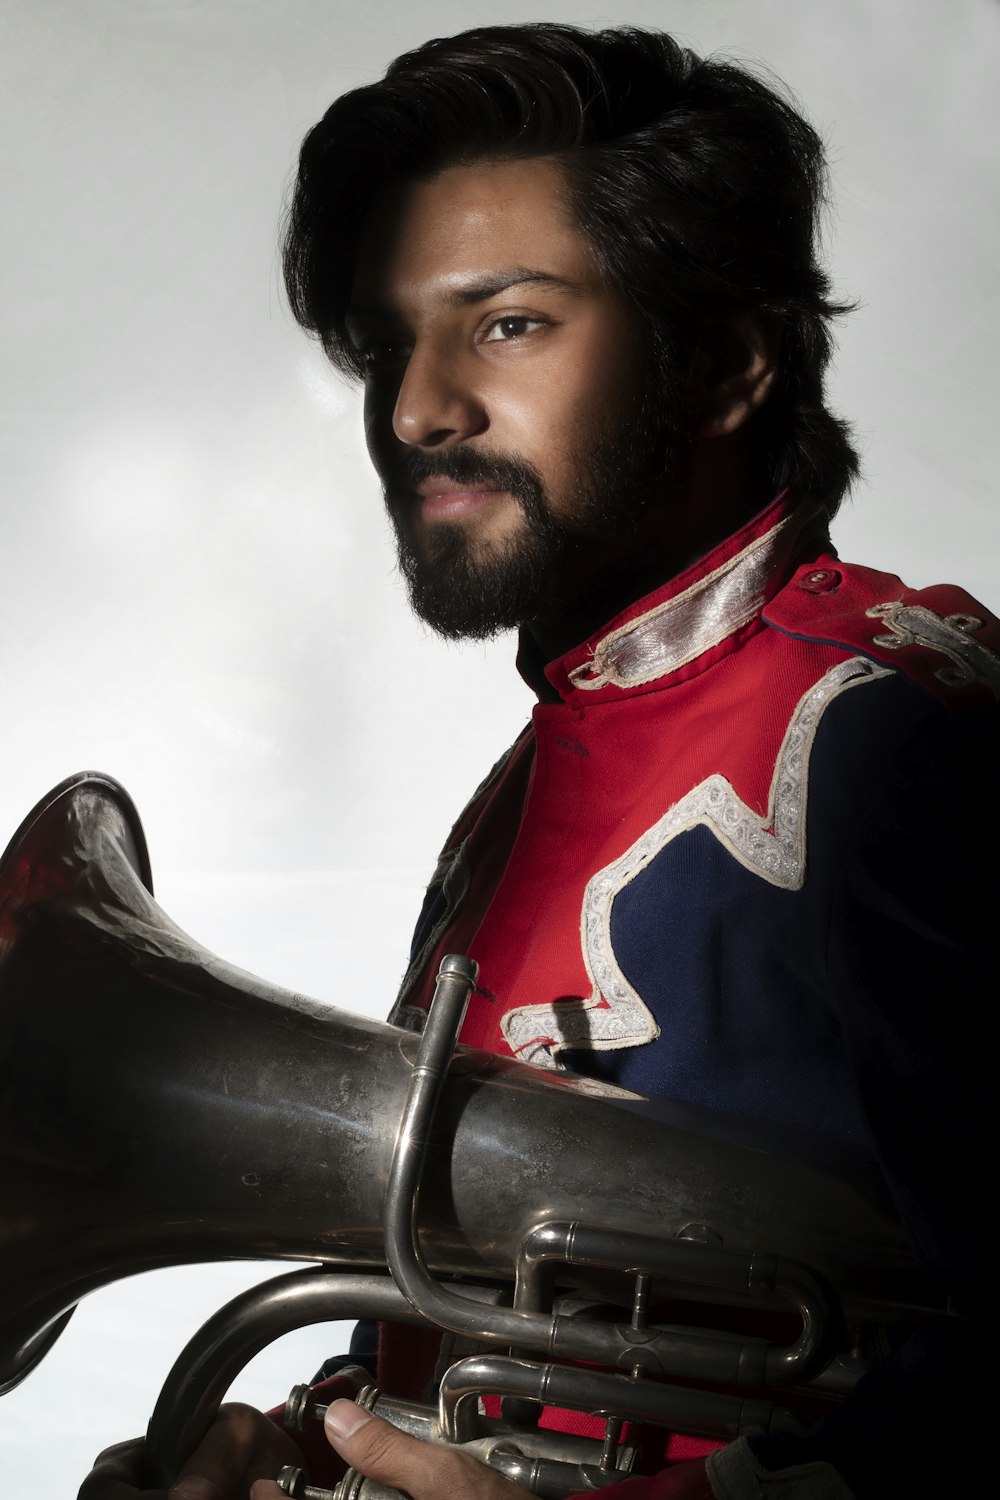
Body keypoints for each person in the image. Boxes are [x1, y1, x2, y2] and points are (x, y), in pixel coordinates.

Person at [80, 22, 993, 1500]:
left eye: (505, 323)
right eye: (391, 345)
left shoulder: (886, 731)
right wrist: (311, 1451)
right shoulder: (530, 781)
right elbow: (481, 1304)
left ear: (727, 369)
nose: (415, 409)